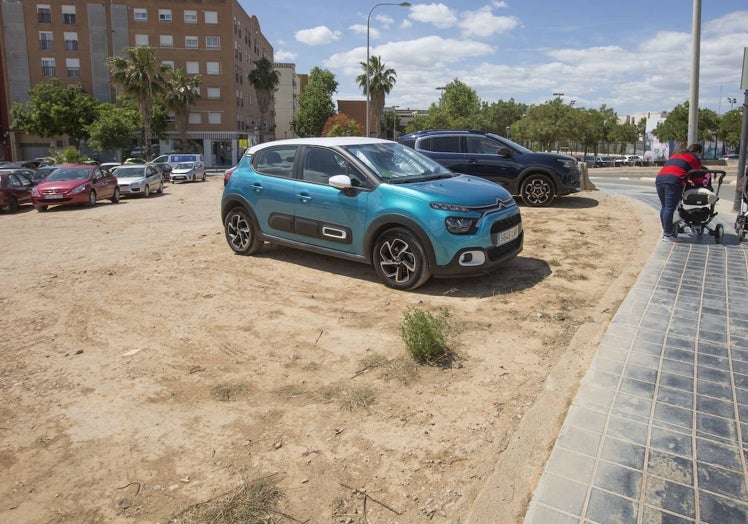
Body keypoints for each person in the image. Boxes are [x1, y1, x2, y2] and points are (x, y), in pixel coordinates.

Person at [655, 143, 705, 241]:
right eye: (700, 154)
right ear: (698, 152)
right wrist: (697, 184)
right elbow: (698, 174)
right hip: (673, 181)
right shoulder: (693, 157)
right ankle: (667, 235)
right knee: (669, 208)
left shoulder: (675, 154)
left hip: (660, 179)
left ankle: (666, 231)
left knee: (665, 207)